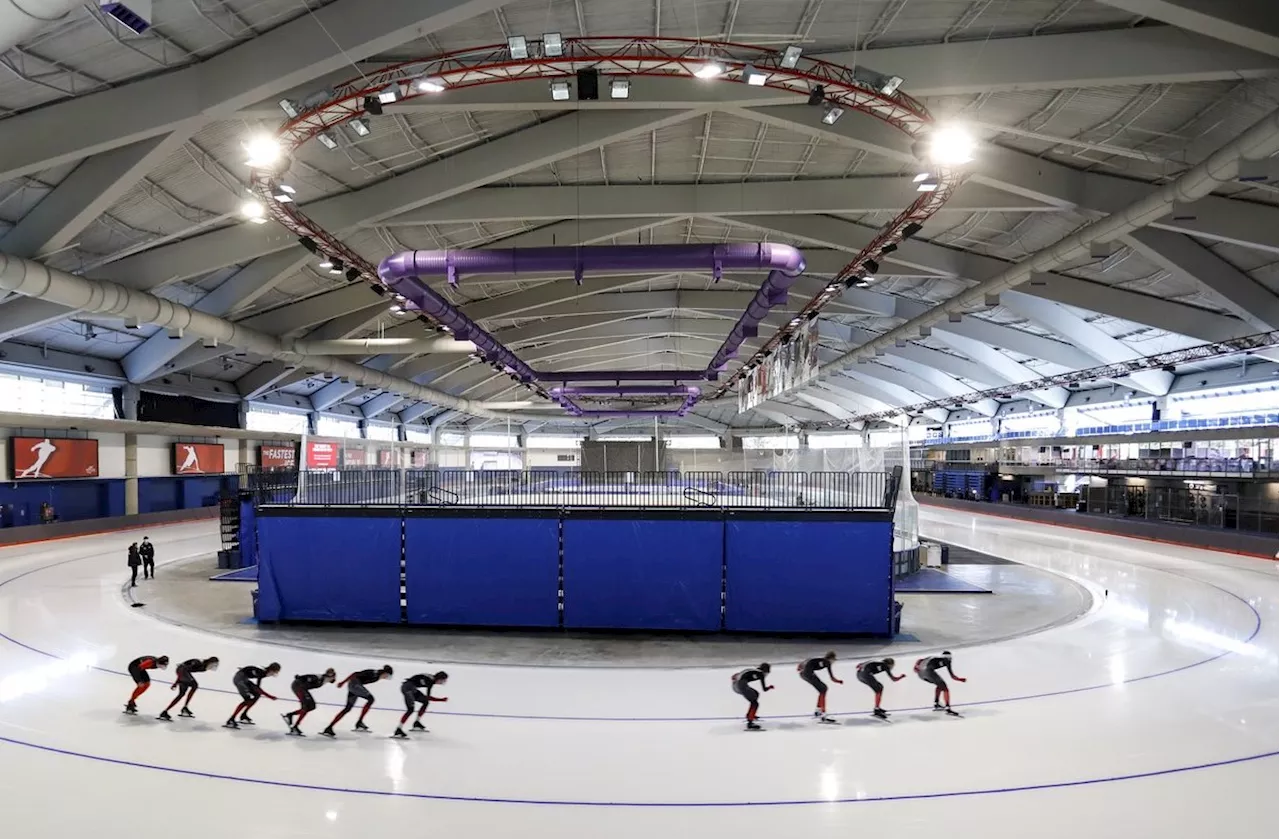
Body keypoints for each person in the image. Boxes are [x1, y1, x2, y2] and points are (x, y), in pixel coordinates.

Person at [322, 665, 393, 737]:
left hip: (354, 685)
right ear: (385, 673)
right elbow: (354, 674)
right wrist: (343, 682)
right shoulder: (374, 673)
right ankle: (359, 722)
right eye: (387, 676)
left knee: (347, 708)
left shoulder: (377, 675)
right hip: (355, 684)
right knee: (371, 699)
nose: (386, 678)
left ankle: (329, 727)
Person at [158, 656, 219, 721]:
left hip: (183, 672)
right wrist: (177, 682)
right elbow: (182, 670)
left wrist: (177, 682)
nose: (213, 667)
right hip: (182, 671)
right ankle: (184, 707)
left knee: (181, 694)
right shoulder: (197, 663)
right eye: (213, 665)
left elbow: (184, 672)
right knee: (194, 685)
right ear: (210, 662)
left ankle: (165, 711)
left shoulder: (204, 668)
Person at [225, 663, 281, 729]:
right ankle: (231, 719)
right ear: (271, 670)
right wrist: (270, 696)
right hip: (239, 679)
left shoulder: (265, 672)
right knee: (247, 700)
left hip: (244, 678)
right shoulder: (262, 673)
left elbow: (258, 688)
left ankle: (244, 715)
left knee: (257, 695)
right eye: (275, 671)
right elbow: (259, 689)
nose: (275, 674)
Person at [393, 671, 449, 738]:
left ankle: (417, 723)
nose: (443, 682)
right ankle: (398, 730)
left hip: (411, 687)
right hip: (408, 688)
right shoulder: (430, 682)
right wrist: (441, 700)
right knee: (410, 710)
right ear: (439, 679)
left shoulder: (431, 679)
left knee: (425, 702)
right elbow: (428, 697)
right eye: (443, 680)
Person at [282, 668, 336, 736]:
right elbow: (308, 677)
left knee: (312, 706)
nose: (334, 678)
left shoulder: (324, 680)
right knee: (306, 707)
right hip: (298, 686)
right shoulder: (320, 677)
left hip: (301, 688)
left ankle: (290, 715)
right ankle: (295, 727)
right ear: (331, 676)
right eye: (333, 676)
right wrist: (300, 677)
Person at [798, 651, 843, 723]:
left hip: (803, 673)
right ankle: (823, 714)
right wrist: (838, 681)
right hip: (808, 672)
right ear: (831, 659)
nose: (834, 662)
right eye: (834, 660)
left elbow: (805, 662)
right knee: (823, 689)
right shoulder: (827, 662)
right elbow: (832, 678)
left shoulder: (820, 660)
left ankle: (818, 711)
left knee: (822, 690)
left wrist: (801, 669)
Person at [731, 663, 773, 731]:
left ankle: (750, 715)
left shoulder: (755, 670)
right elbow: (764, 689)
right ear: (766, 670)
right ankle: (750, 723)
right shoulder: (760, 674)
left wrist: (735, 677)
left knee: (756, 694)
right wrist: (770, 687)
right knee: (755, 703)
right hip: (741, 684)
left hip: (737, 684)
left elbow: (743, 673)